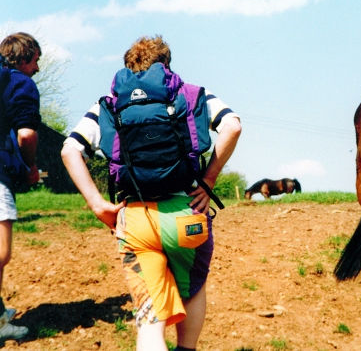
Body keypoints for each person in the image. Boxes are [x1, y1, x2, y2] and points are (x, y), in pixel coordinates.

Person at [61, 36, 241, 351]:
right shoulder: (193, 94)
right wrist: (208, 180)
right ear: (166, 64)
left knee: (150, 316)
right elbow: (232, 126)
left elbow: (69, 150)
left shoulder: (108, 103)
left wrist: (97, 204)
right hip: (187, 216)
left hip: (135, 220)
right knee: (194, 290)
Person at [0, 32, 42, 340]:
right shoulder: (20, 83)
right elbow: (26, 135)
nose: (37, 69)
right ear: (25, 59)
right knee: (1, 252)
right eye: (36, 61)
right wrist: (30, 166)